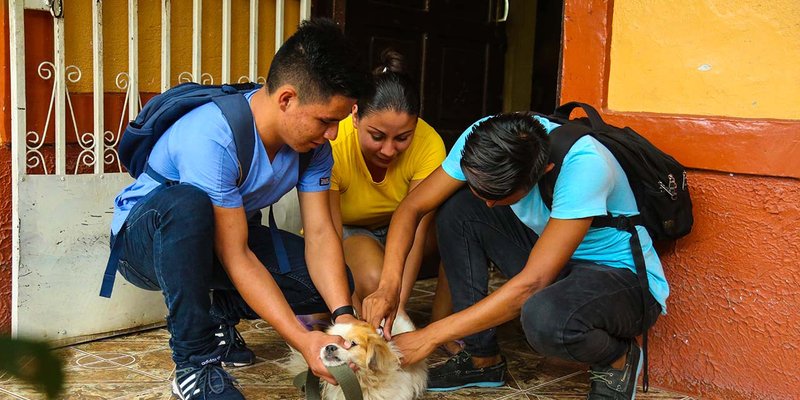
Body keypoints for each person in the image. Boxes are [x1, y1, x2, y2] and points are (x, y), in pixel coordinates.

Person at [106, 19, 368, 400]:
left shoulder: (314, 151)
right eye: (327, 121)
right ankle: (195, 364)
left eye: (338, 123)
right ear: (287, 99)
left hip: (218, 242)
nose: (332, 134)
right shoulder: (213, 136)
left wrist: (343, 316)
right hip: (145, 242)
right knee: (187, 205)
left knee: (329, 282)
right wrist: (301, 339)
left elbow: (322, 234)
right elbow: (236, 253)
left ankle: (218, 315)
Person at [363, 112, 668, 400]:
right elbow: (412, 207)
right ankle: (482, 358)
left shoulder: (585, 165)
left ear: (543, 172)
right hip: (550, 257)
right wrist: (389, 287)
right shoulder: (484, 138)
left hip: (617, 278)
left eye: (500, 195)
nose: (490, 205)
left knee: (544, 317)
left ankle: (617, 358)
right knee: (459, 210)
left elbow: (532, 284)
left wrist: (428, 337)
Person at [327, 50, 460, 353]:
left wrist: (397, 305)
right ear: (355, 115)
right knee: (375, 281)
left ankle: (443, 325)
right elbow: (328, 235)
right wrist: (348, 308)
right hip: (351, 232)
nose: (389, 150)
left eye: (402, 138)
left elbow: (417, 227)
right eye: (377, 136)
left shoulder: (429, 144)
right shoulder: (334, 141)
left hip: (407, 232)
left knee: (460, 224)